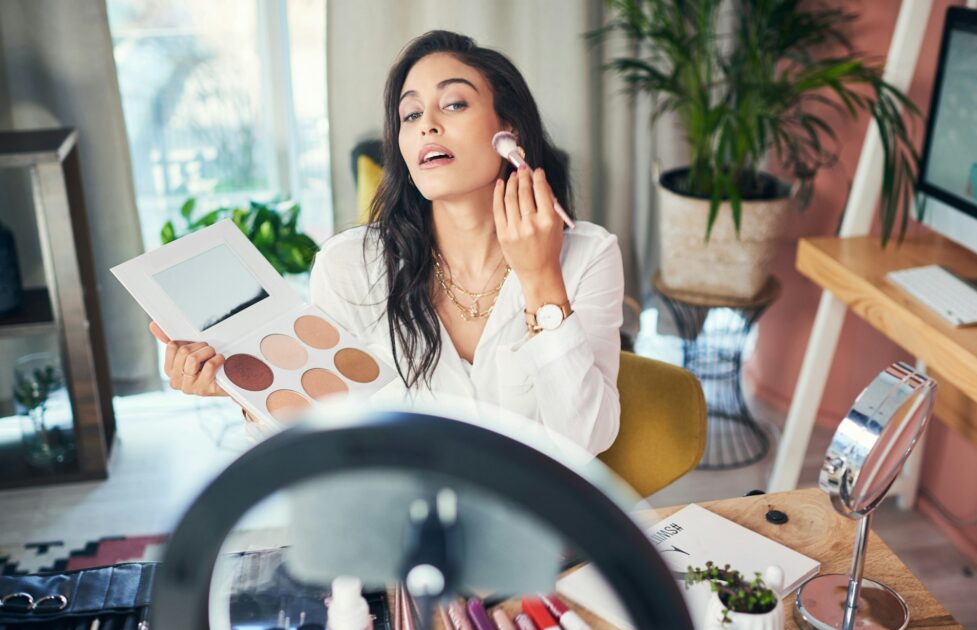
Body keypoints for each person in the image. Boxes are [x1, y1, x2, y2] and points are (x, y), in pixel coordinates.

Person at [151, 30, 624, 456]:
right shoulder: (349, 267)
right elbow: (327, 432)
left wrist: (541, 279)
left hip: (540, 530)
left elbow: (584, 441)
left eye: (454, 104)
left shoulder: (588, 255)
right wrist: (243, 391)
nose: (427, 125)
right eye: (411, 113)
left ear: (511, 131)